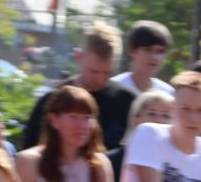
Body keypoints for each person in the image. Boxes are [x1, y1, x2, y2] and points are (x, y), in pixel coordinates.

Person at [24, 23, 135, 151]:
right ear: (79, 56)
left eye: (107, 73)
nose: (99, 80)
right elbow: (30, 152)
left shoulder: (127, 101)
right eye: (93, 71)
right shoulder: (53, 101)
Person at [112, 21, 173, 96]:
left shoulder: (168, 93)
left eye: (160, 51)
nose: (154, 57)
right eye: (147, 49)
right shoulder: (114, 89)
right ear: (132, 51)